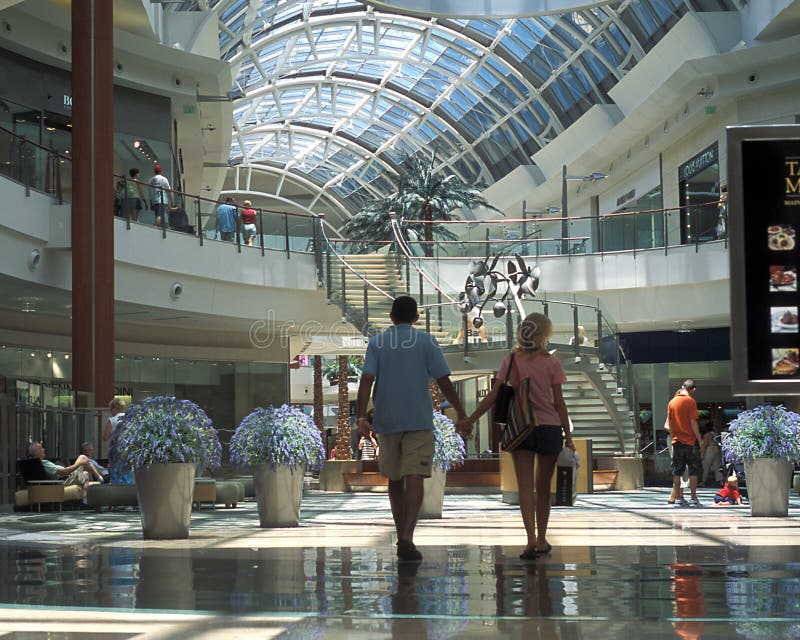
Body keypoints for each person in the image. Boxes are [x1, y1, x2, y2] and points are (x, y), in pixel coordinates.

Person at [356, 295, 468, 562]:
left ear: (392, 317)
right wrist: (461, 412)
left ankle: (401, 533)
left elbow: (367, 379)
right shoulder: (427, 341)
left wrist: (361, 415)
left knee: (394, 478)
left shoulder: (377, 342)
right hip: (418, 420)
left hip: (387, 420)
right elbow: (444, 381)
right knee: (415, 475)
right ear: (416, 318)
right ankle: (407, 537)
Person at [458, 312, 575, 560]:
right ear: (545, 333)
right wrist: (569, 436)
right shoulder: (552, 362)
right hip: (549, 428)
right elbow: (559, 402)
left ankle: (530, 540)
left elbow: (494, 395)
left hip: (520, 428)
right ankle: (542, 539)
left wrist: (471, 418)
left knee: (524, 487)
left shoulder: (512, 359)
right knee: (543, 487)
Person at [667, 379, 704, 508]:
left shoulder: (672, 402)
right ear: (693, 390)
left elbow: (670, 423)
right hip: (690, 441)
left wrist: (673, 437)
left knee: (677, 471)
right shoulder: (691, 402)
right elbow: (693, 422)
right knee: (693, 470)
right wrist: (699, 439)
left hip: (677, 441)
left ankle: (678, 498)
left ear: (682, 387)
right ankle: (693, 498)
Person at [27, 441, 100, 497]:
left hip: (63, 478)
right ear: (36, 452)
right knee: (83, 462)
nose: (44, 449)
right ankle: (101, 479)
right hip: (63, 479)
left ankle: (99, 479)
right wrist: (78, 464)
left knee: (85, 463)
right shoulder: (42, 463)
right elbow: (64, 472)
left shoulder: (36, 463)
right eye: (41, 448)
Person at [103, 398, 134, 484]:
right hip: (128, 450)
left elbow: (105, 437)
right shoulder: (130, 419)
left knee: (116, 473)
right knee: (128, 472)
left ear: (114, 408)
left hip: (115, 451)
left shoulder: (111, 420)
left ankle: (117, 491)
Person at [699, 420, 721, 487]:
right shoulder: (716, 434)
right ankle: (721, 481)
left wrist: (701, 454)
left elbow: (704, 445)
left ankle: (703, 481)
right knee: (717, 466)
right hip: (717, 449)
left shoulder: (707, 435)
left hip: (709, 449)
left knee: (706, 466)